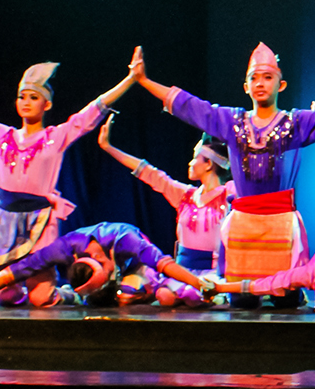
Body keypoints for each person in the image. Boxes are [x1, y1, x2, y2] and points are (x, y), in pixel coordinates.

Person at [128, 42, 315, 308]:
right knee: (241, 303)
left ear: (280, 84)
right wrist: (143, 80)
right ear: (246, 86)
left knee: (286, 301)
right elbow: (190, 106)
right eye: (254, 78)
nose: (260, 83)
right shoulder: (231, 122)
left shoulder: (294, 124)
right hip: (243, 226)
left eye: (267, 77)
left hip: (280, 226)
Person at [0, 56, 137, 304]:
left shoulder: (56, 137)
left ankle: (66, 293)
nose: (26, 102)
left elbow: (92, 110)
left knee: (41, 299)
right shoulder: (2, 136)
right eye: (22, 97)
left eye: (33, 97)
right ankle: (22, 286)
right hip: (6, 220)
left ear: (47, 104)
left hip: (40, 220)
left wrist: (129, 80)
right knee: (3, 296)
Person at [99, 112, 235, 297]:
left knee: (193, 296)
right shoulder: (185, 195)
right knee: (165, 297)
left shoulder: (229, 193)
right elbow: (149, 172)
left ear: (209, 164)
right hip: (182, 272)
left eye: (194, 158)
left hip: (212, 274)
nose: (190, 163)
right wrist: (108, 147)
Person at [0, 221, 211, 309]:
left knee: (126, 296)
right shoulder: (64, 248)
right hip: (108, 275)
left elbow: (163, 262)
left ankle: (149, 291)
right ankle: (77, 295)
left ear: (106, 262)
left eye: (106, 279)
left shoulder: (126, 241)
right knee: (38, 299)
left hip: (139, 270)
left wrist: (199, 283)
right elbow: (12, 272)